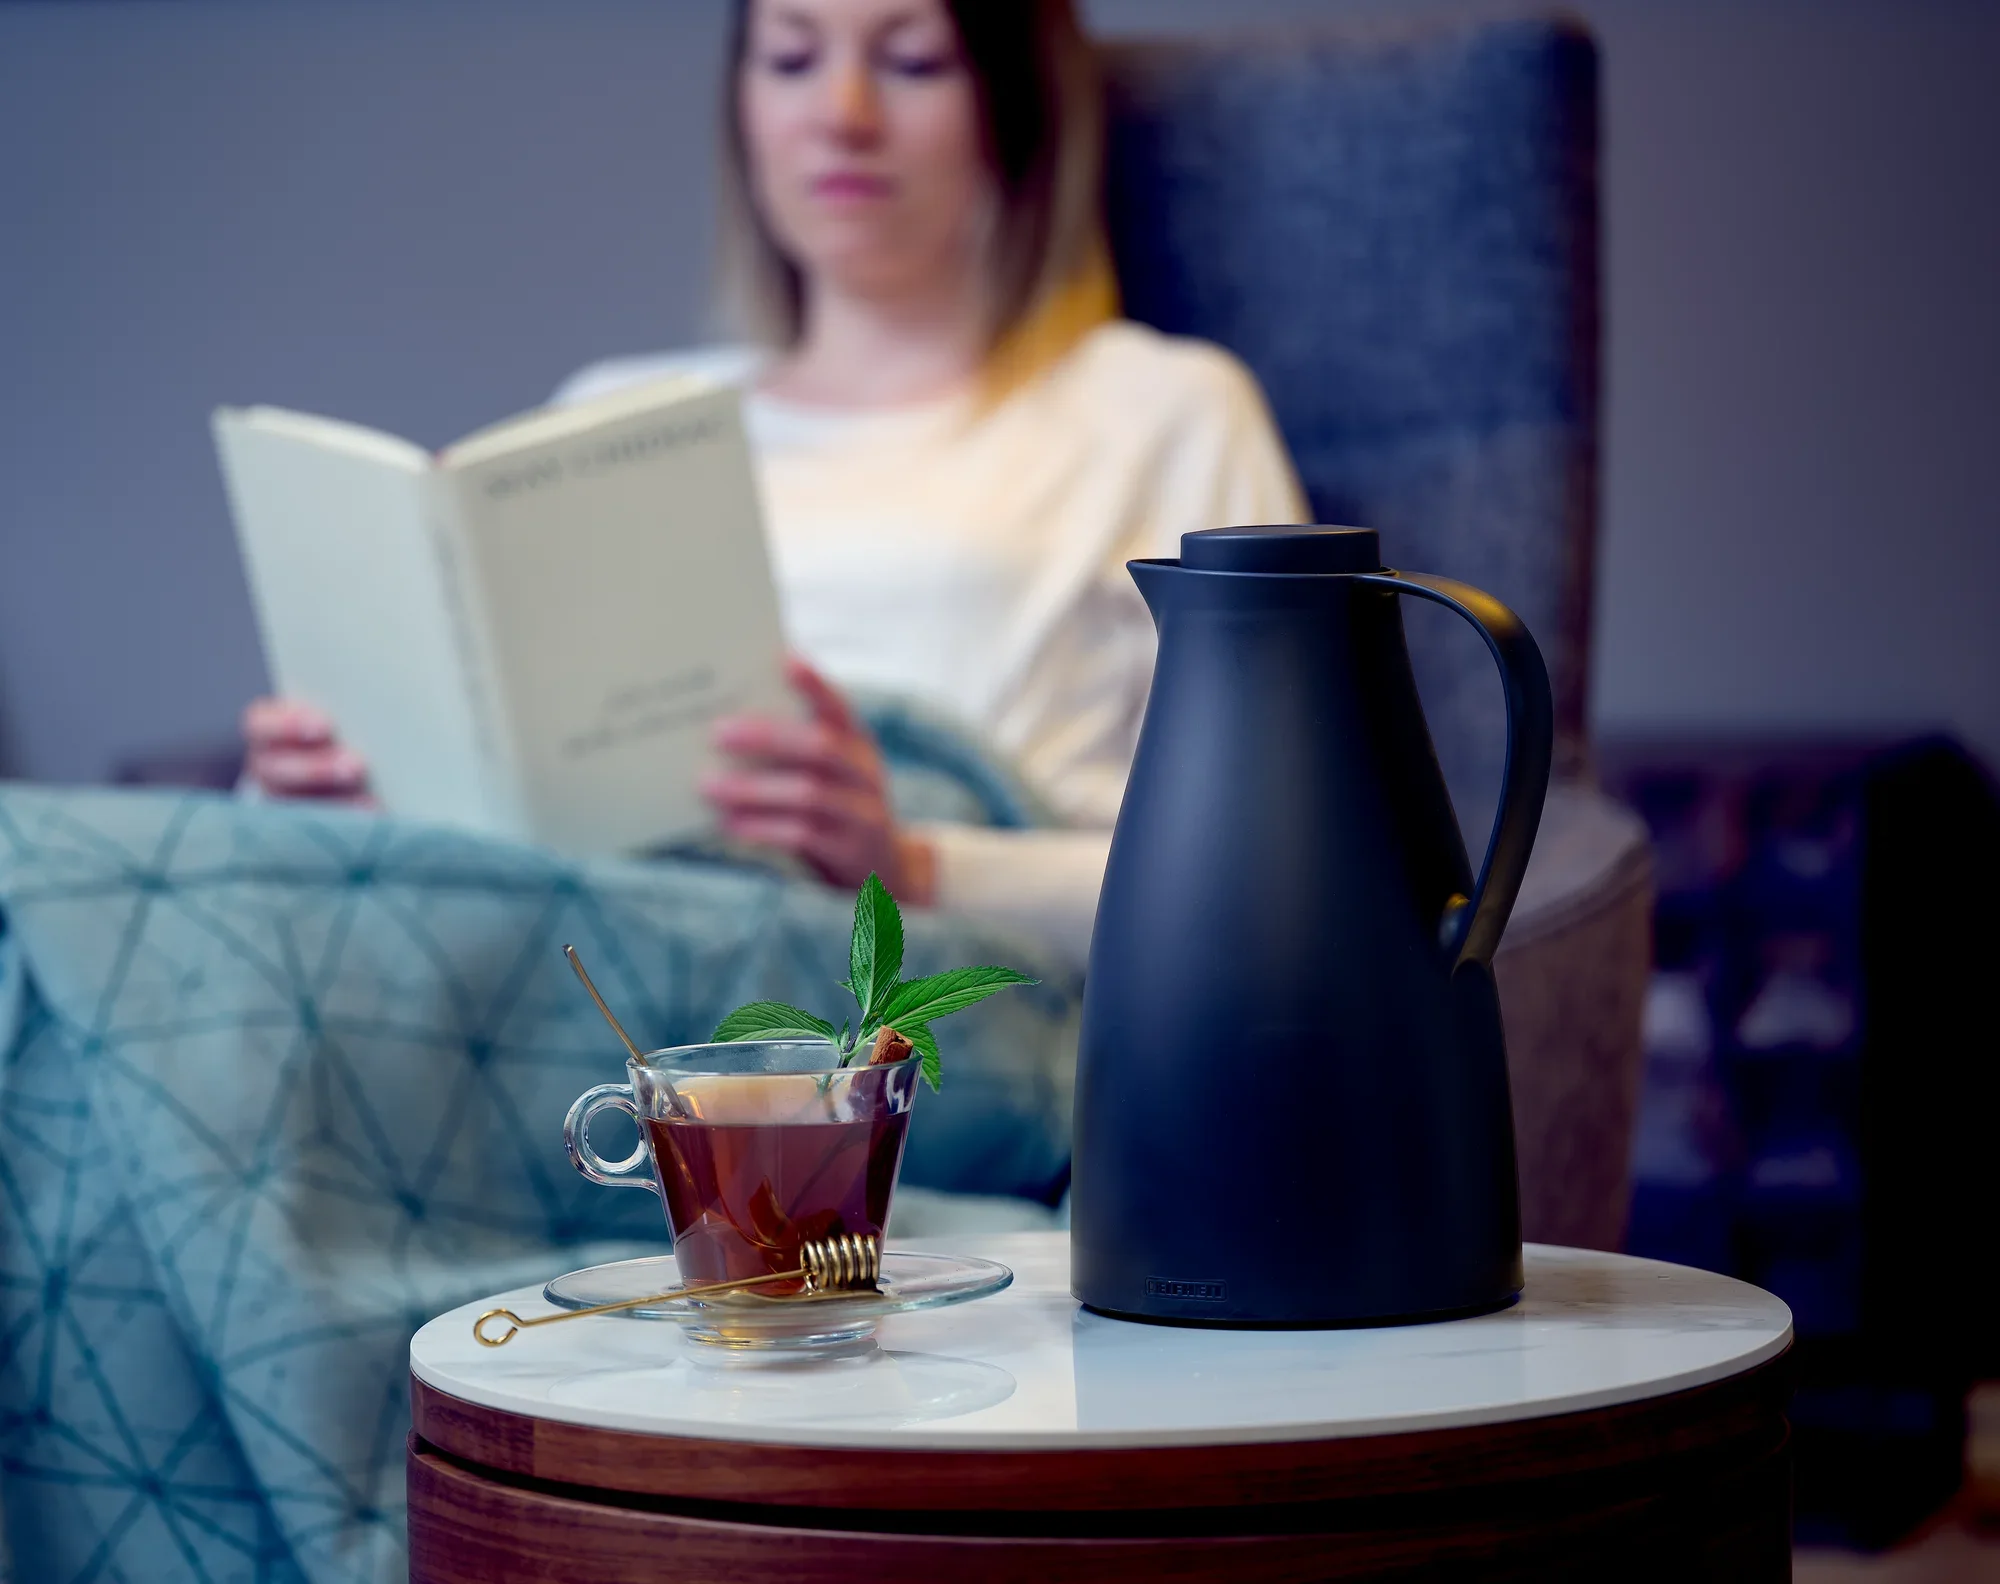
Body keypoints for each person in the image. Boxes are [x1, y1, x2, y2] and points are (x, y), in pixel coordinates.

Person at [242, 0, 1305, 969]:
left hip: (916, 993)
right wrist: (326, 795)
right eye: (792, 59)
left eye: (913, 62)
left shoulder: (1159, 410)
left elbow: (1294, 868)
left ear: (1016, 106)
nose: (841, 114)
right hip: (580, 952)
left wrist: (912, 868)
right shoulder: (608, 414)